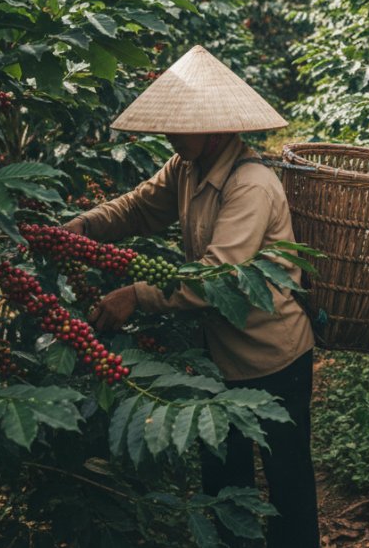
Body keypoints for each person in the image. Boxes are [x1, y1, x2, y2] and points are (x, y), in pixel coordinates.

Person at [63, 45, 319, 548]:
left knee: (287, 477)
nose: (168, 134)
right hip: (218, 357)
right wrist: (80, 229)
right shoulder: (185, 168)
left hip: (273, 356)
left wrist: (136, 294)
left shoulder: (252, 186)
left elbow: (218, 277)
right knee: (224, 477)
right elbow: (137, 209)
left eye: (179, 125)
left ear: (216, 129)